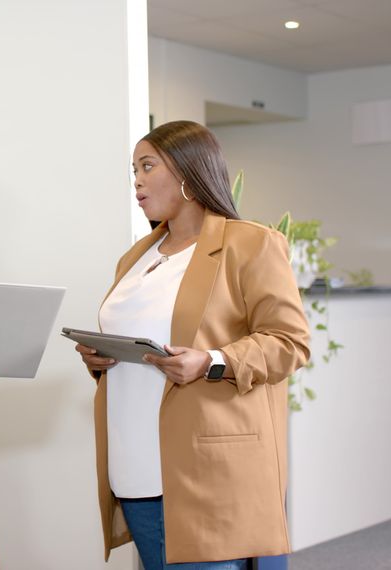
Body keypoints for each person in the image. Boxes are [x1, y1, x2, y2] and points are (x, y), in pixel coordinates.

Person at [75, 120, 310, 569]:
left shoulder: (251, 244)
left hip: (207, 470)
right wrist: (101, 359)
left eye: (148, 166)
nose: (137, 181)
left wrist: (213, 361)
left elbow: (289, 342)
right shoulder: (136, 256)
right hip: (135, 465)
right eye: (133, 169)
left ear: (187, 172)